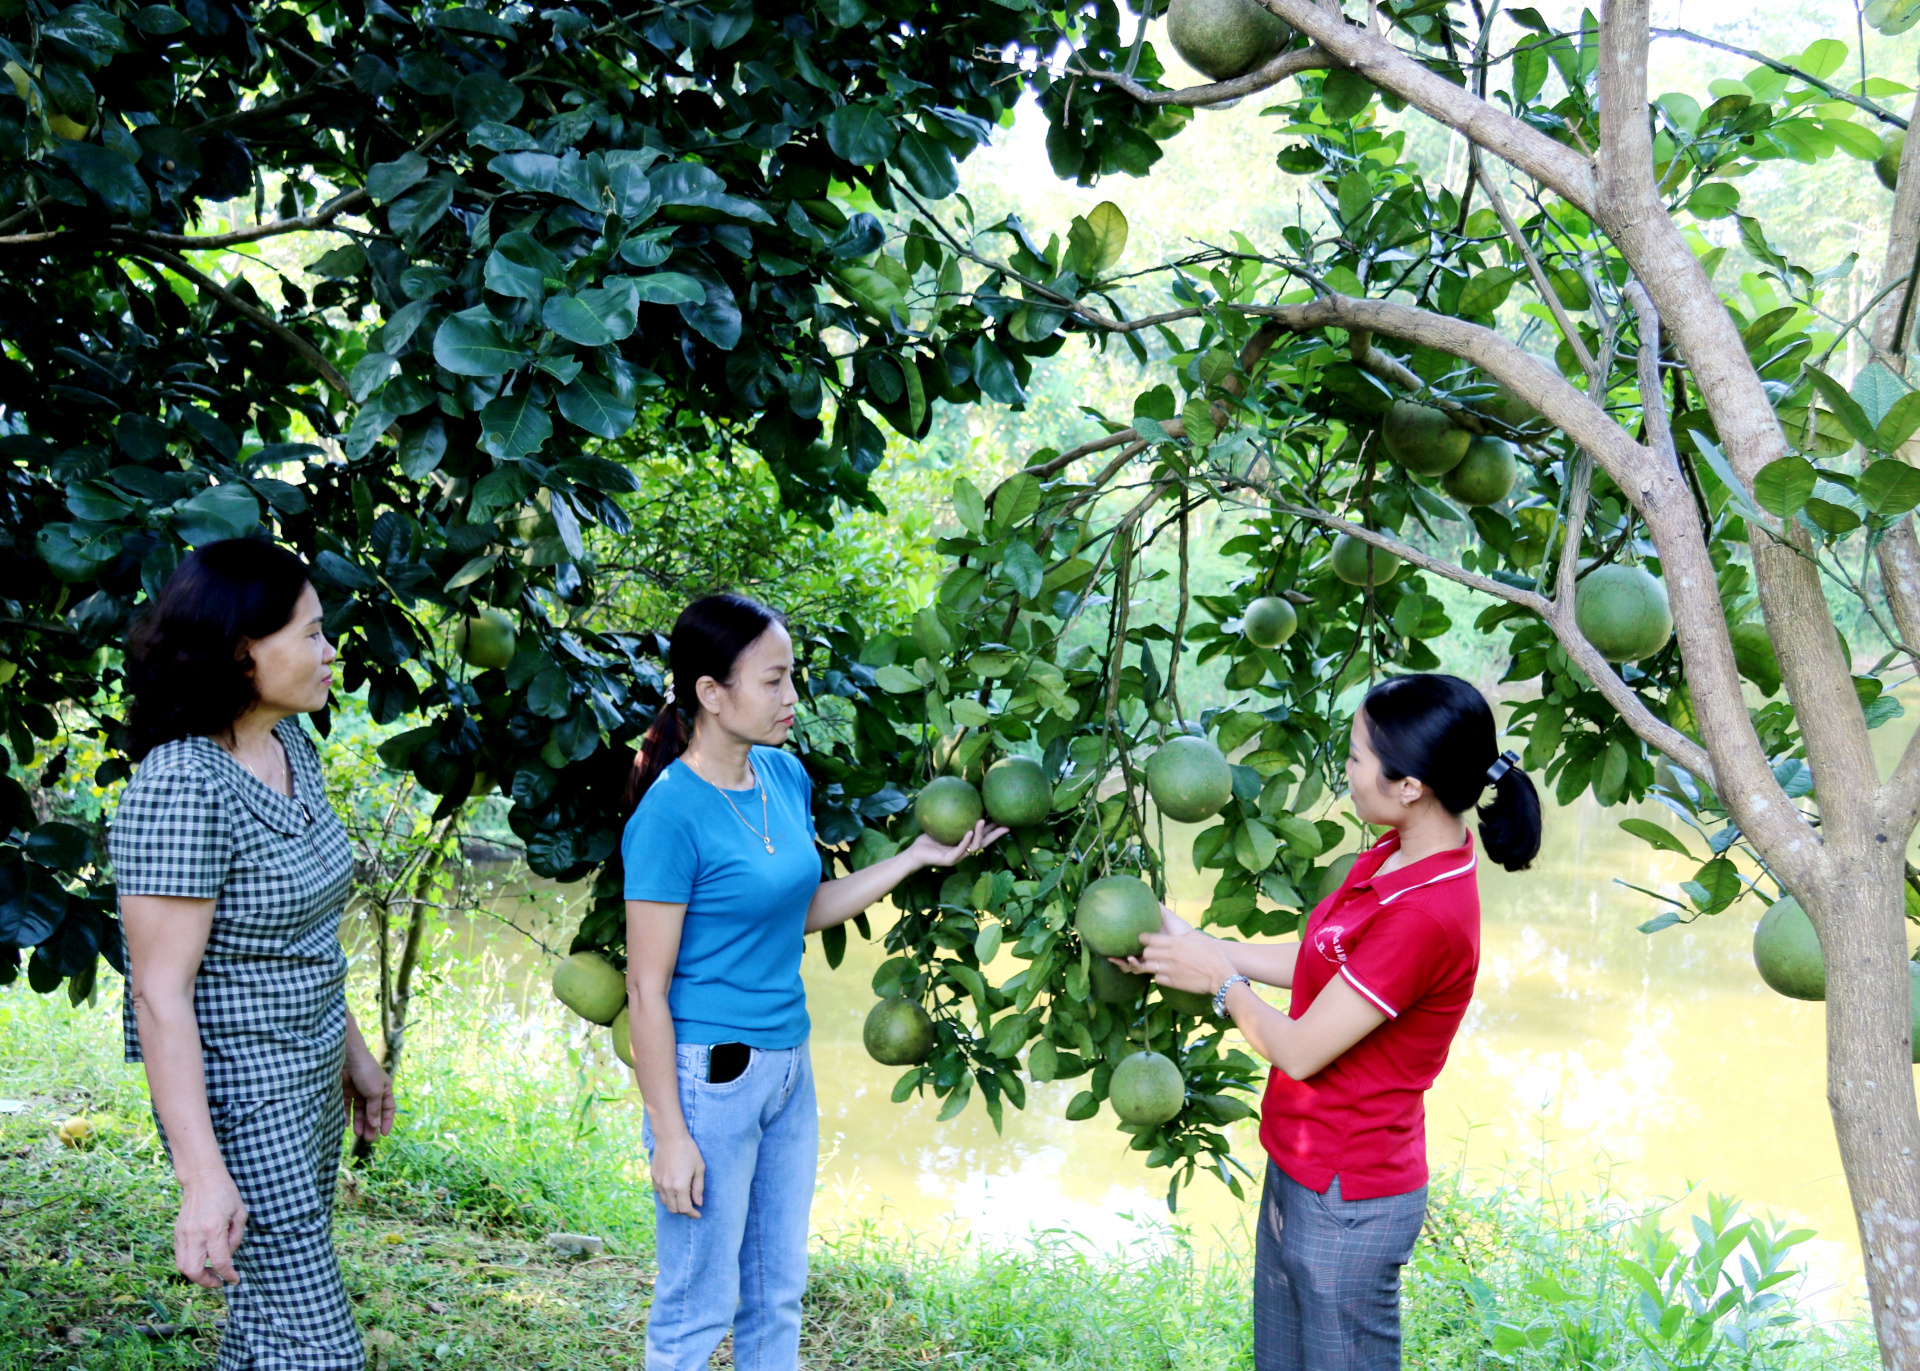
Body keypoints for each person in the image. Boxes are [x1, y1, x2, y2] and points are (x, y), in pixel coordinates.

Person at [621, 593, 1003, 1371]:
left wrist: (911, 859)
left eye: (793, 676)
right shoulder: (670, 815)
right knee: (698, 1306)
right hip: (710, 1076)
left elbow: (799, 908)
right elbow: (644, 989)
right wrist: (669, 1132)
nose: (792, 698)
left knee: (777, 1290)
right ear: (710, 692)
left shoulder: (783, 776)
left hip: (786, 1068)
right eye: (773, 681)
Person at [1124, 672, 1541, 1371]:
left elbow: (1298, 1047)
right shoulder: (1395, 853)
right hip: (1302, 1161)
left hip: (1350, 1194)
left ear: (1410, 783)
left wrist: (1218, 981)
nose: (1344, 772)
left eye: (1354, 757)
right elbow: (1323, 961)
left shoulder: (1427, 915)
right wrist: (1190, 943)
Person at [112, 538, 394, 1371]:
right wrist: (202, 1176)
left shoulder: (290, 746)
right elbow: (160, 995)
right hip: (242, 1103)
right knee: (318, 1349)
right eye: (309, 633)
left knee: (269, 1334)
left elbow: (295, 934)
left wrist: (356, 1055)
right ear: (242, 650)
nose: (329, 650)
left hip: (309, 1081)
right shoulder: (182, 783)